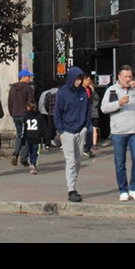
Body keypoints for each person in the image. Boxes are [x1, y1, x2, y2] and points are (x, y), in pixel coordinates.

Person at [100, 65, 135, 202]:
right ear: (119, 77)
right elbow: (104, 108)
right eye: (126, 77)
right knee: (120, 162)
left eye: (130, 77)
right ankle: (123, 190)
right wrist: (119, 103)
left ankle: (134, 188)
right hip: (119, 131)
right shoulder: (112, 90)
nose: (128, 79)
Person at [54, 66, 91, 202]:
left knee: (78, 159)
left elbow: (87, 110)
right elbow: (57, 113)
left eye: (81, 79)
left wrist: (86, 127)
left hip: (80, 130)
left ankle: (73, 185)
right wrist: (61, 130)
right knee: (70, 160)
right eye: (77, 79)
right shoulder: (62, 93)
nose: (80, 82)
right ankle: (71, 189)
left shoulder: (83, 92)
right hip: (67, 131)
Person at [7, 68, 35, 166]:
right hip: (25, 115)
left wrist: (12, 112)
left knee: (19, 135)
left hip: (15, 114)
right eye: (29, 76)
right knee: (27, 136)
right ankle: (23, 158)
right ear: (24, 77)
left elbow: (9, 102)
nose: (30, 78)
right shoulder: (28, 89)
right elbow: (31, 103)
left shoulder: (12, 88)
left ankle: (16, 153)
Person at [37, 82, 60, 150]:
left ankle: (47, 142)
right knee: (56, 127)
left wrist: (47, 110)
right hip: (56, 113)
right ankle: (52, 140)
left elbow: (44, 103)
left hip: (47, 112)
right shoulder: (59, 93)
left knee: (47, 128)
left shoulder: (46, 93)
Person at [82, 74, 99, 158]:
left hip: (89, 113)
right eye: (86, 80)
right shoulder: (80, 90)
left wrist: (93, 90)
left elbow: (96, 99)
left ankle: (87, 148)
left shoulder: (89, 89)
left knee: (90, 131)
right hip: (82, 113)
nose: (88, 81)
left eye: (89, 80)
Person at [23, 99, 42, 174]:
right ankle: (34, 163)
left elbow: (24, 127)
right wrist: (47, 138)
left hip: (29, 136)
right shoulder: (39, 116)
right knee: (36, 151)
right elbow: (43, 126)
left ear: (27, 107)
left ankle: (31, 163)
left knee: (30, 150)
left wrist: (23, 137)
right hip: (37, 136)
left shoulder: (25, 116)